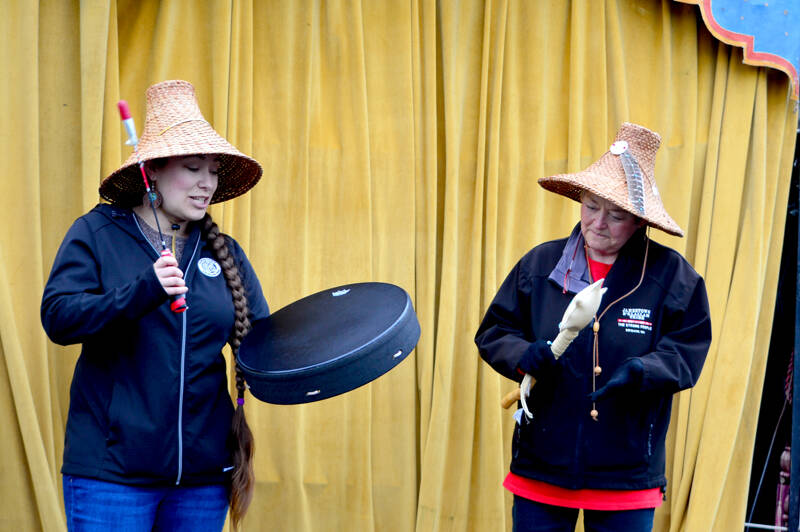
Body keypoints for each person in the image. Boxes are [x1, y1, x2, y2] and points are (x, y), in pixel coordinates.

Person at [41, 80, 268, 531]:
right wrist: (143, 290)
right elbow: (59, 318)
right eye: (192, 168)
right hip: (112, 476)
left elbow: (264, 343)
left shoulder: (224, 251)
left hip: (204, 480)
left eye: (214, 171)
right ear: (154, 172)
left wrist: (324, 357)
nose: (207, 183)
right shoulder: (97, 233)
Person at [475, 122, 712, 532]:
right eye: (590, 206)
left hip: (626, 472)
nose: (598, 223)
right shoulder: (539, 265)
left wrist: (646, 371)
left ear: (640, 221)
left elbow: (686, 350)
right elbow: (495, 332)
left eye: (616, 215)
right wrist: (521, 355)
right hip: (542, 465)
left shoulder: (673, 278)